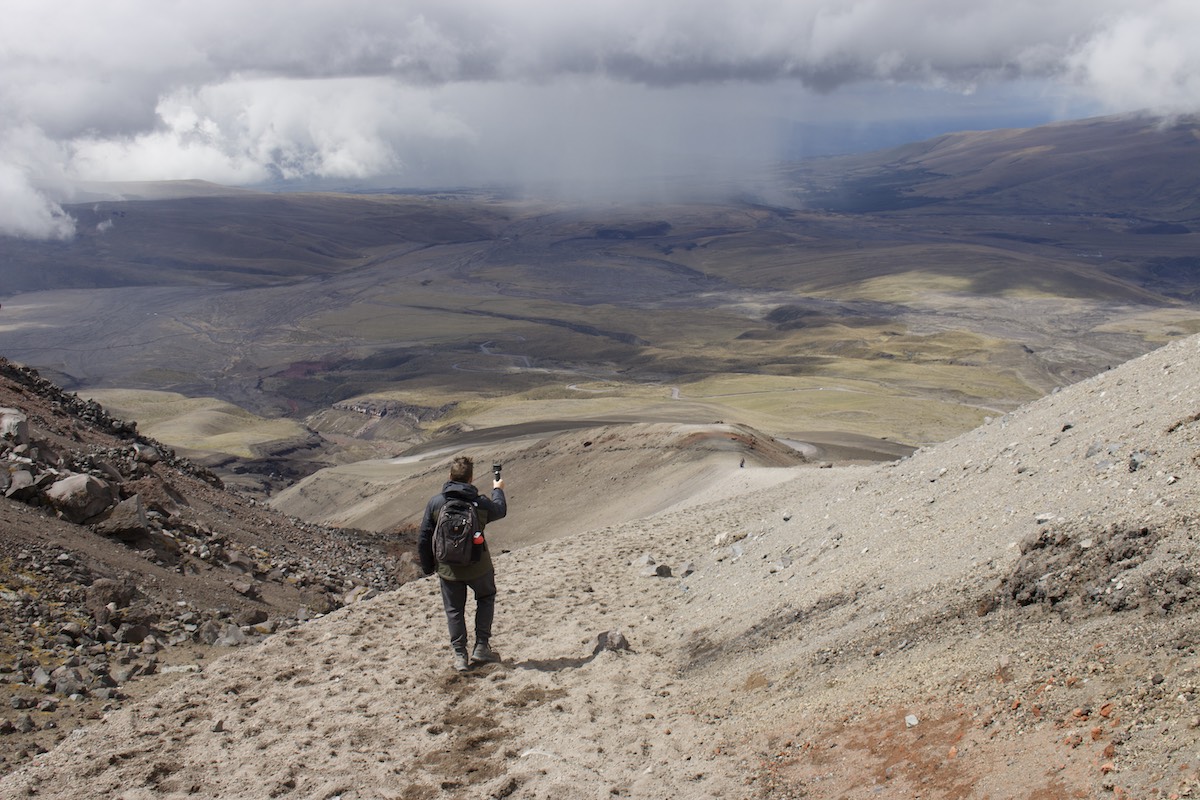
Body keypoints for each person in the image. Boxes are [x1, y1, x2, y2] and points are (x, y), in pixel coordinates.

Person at [418, 454, 507, 672]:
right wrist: (498, 488)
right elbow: (500, 509)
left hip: (448, 568)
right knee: (486, 597)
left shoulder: (436, 503)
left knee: (454, 610)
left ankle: (460, 655)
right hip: (478, 565)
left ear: (450, 476)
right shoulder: (480, 503)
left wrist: (429, 566)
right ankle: (481, 646)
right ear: (471, 478)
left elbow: (423, 537)